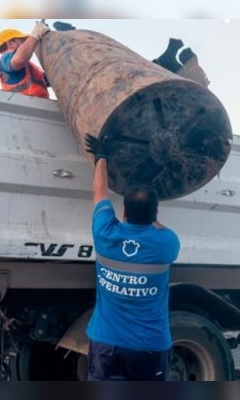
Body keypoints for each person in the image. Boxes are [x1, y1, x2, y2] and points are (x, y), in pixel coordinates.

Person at [83, 133, 181, 381]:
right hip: (149, 348)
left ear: (123, 210)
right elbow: (156, 225)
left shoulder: (105, 235)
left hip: (106, 345)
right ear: (155, 213)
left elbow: (99, 195)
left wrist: (101, 156)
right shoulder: (166, 244)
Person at [0, 21, 51, 98]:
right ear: (11, 43)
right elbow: (19, 59)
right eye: (23, 41)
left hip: (39, 106)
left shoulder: (30, 68)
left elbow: (48, 80)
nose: (27, 43)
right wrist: (35, 35)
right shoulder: (5, 59)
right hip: (23, 106)